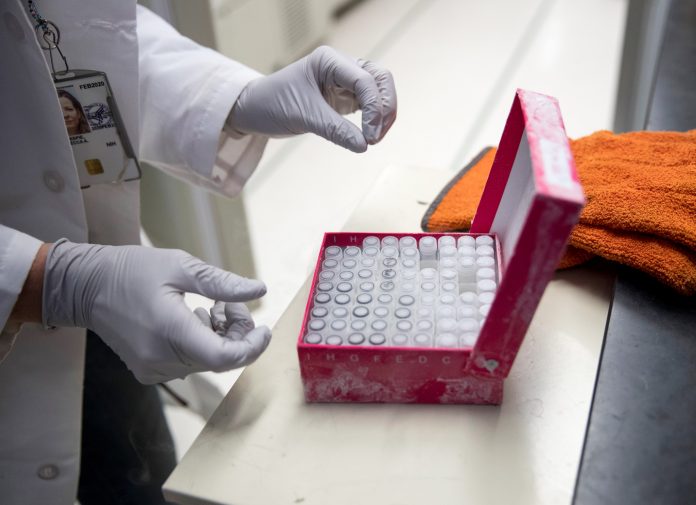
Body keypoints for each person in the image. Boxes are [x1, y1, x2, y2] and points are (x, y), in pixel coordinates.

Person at [0, 2, 397, 505]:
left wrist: (231, 96)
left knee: (137, 475)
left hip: (99, 297)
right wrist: (45, 280)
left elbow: (64, 29)